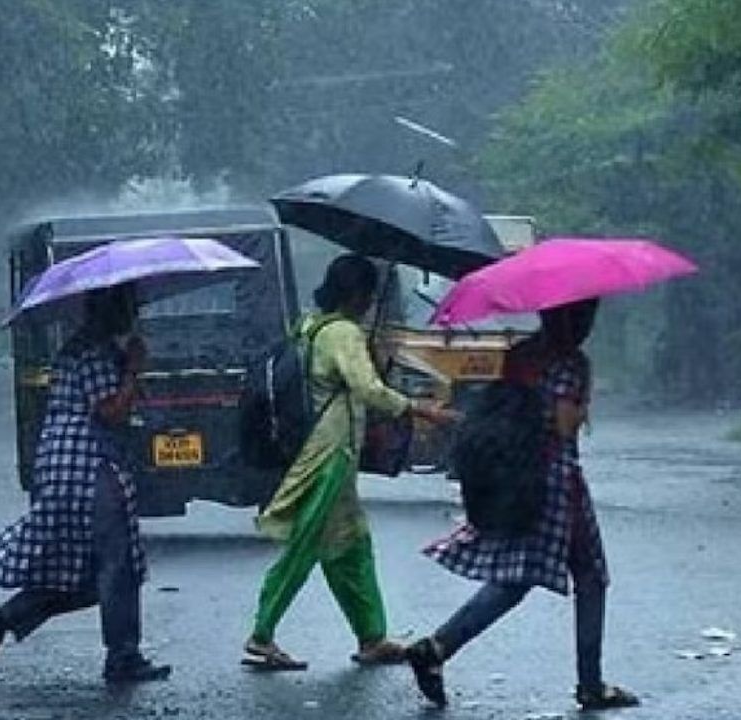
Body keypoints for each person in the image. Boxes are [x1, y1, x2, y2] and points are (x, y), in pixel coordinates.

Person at [406, 299, 639, 710]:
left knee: (517, 579)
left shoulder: (521, 354)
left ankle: (438, 647)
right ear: (579, 318)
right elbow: (565, 426)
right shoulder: (571, 362)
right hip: (557, 481)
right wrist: (584, 403)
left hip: (516, 475)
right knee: (589, 577)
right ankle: (590, 683)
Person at [243, 255, 456, 670]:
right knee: (306, 545)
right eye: (370, 295)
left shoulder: (311, 325)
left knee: (351, 544)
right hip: (328, 455)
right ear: (357, 294)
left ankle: (371, 636)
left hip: (326, 451)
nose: (371, 302)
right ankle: (262, 633)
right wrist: (421, 409)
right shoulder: (343, 333)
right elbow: (370, 390)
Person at [0, 284, 171, 684]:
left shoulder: (87, 349)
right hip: (87, 467)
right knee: (116, 566)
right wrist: (133, 369)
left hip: (68, 466)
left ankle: (1, 620)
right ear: (111, 309)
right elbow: (111, 412)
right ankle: (123, 657)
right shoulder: (94, 352)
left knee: (85, 575)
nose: (135, 312)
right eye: (129, 304)